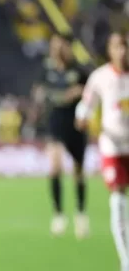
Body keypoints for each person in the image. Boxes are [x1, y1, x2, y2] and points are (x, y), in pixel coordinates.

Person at [75, 32, 129, 271]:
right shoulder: (100, 77)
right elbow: (87, 102)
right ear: (110, 50)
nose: (123, 52)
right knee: (117, 198)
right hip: (112, 145)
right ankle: (126, 259)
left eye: (125, 47)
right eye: (118, 47)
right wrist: (82, 115)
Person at [35, 33, 92, 237]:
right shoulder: (47, 70)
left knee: (78, 172)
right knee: (55, 167)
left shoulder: (79, 71)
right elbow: (39, 91)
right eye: (54, 45)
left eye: (61, 45)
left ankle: (80, 213)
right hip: (55, 124)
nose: (57, 49)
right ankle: (58, 214)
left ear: (69, 47)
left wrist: (81, 94)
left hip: (76, 125)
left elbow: (90, 93)